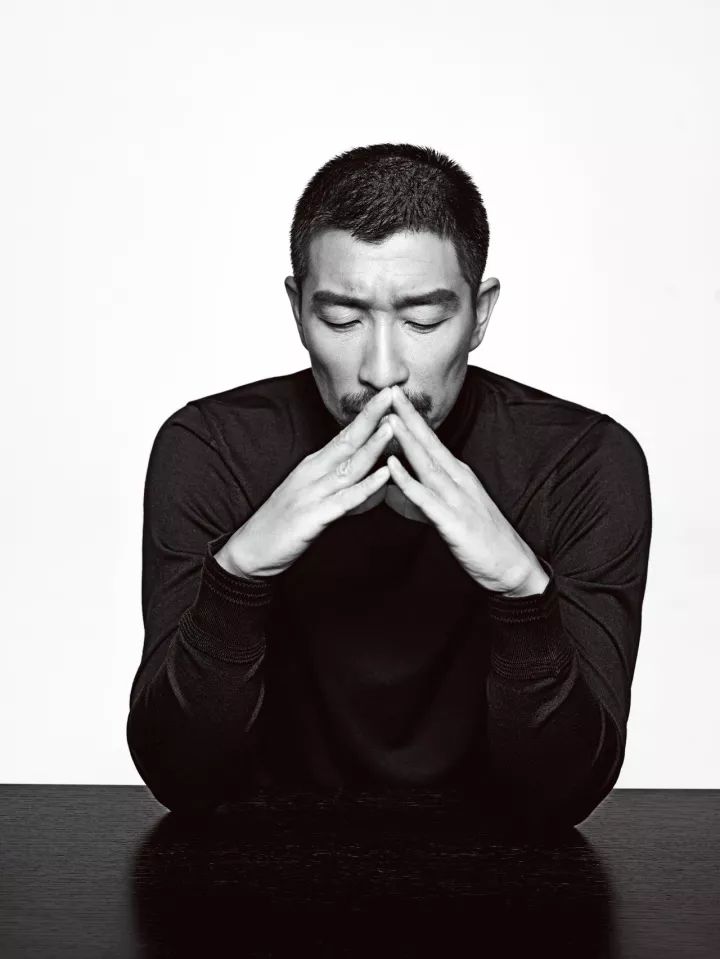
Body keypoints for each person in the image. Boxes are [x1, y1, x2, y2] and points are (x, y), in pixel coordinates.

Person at [126, 143, 652, 827]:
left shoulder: (582, 462)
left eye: (423, 320)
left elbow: (564, 793)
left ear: (480, 313)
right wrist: (240, 573)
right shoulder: (213, 449)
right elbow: (181, 776)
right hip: (258, 866)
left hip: (505, 874)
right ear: (297, 309)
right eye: (342, 319)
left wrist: (520, 587)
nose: (381, 370)